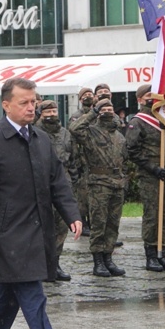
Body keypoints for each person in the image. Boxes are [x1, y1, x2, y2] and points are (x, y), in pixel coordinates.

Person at [0, 77, 82, 329]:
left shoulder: (41, 139)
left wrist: (72, 215)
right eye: (24, 103)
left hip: (38, 232)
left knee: (6, 301)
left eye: (34, 102)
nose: (31, 107)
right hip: (8, 237)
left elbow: (58, 182)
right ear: (7, 105)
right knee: (33, 298)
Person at [70, 99, 127, 277]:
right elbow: (74, 129)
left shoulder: (119, 135)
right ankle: (98, 261)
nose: (108, 111)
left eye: (111, 108)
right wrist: (94, 112)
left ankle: (108, 258)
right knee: (99, 223)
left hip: (117, 183)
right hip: (99, 183)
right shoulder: (91, 132)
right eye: (104, 109)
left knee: (113, 223)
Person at [125, 84, 165, 272]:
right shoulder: (138, 121)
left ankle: (161, 251)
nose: (152, 97)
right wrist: (153, 168)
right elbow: (132, 150)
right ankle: (150, 254)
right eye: (148, 95)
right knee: (153, 215)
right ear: (139, 99)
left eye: (153, 94)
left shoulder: (163, 118)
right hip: (150, 174)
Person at [35, 100, 79, 281]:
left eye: (54, 111)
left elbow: (74, 156)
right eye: (47, 111)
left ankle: (55, 263)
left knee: (61, 228)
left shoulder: (65, 134)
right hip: (41, 185)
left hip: (63, 183)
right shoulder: (35, 133)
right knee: (42, 228)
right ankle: (41, 264)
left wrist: (74, 178)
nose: (51, 114)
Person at [69, 87, 94, 237]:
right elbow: (74, 137)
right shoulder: (76, 116)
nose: (88, 97)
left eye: (90, 94)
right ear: (80, 99)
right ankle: (83, 223)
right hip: (81, 160)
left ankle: (94, 224)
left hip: (95, 159)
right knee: (82, 196)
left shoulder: (98, 115)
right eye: (85, 95)